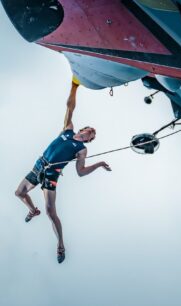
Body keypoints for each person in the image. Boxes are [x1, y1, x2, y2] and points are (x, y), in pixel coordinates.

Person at [15, 80, 111, 264]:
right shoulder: (67, 130)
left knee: (51, 212)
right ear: (83, 129)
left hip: (51, 175)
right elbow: (70, 107)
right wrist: (74, 87)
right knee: (19, 193)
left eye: (91, 136)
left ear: (89, 140)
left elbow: (81, 172)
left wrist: (98, 164)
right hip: (38, 166)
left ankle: (60, 244)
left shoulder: (81, 149)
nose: (90, 133)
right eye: (89, 130)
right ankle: (33, 211)